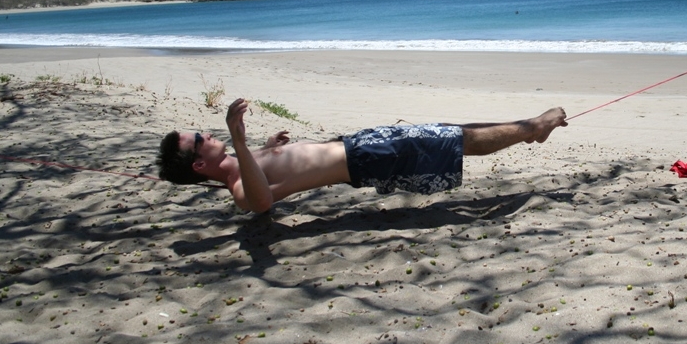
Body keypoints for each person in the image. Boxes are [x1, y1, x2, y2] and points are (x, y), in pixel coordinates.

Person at [156, 98, 568, 214]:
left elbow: (273, 169)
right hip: (362, 159)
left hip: (357, 144)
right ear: (198, 163)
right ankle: (532, 129)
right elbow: (260, 204)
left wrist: (268, 144)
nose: (207, 133)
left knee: (447, 132)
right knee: (449, 140)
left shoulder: (244, 165)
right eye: (200, 138)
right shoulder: (240, 188)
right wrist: (240, 140)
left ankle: (528, 129)